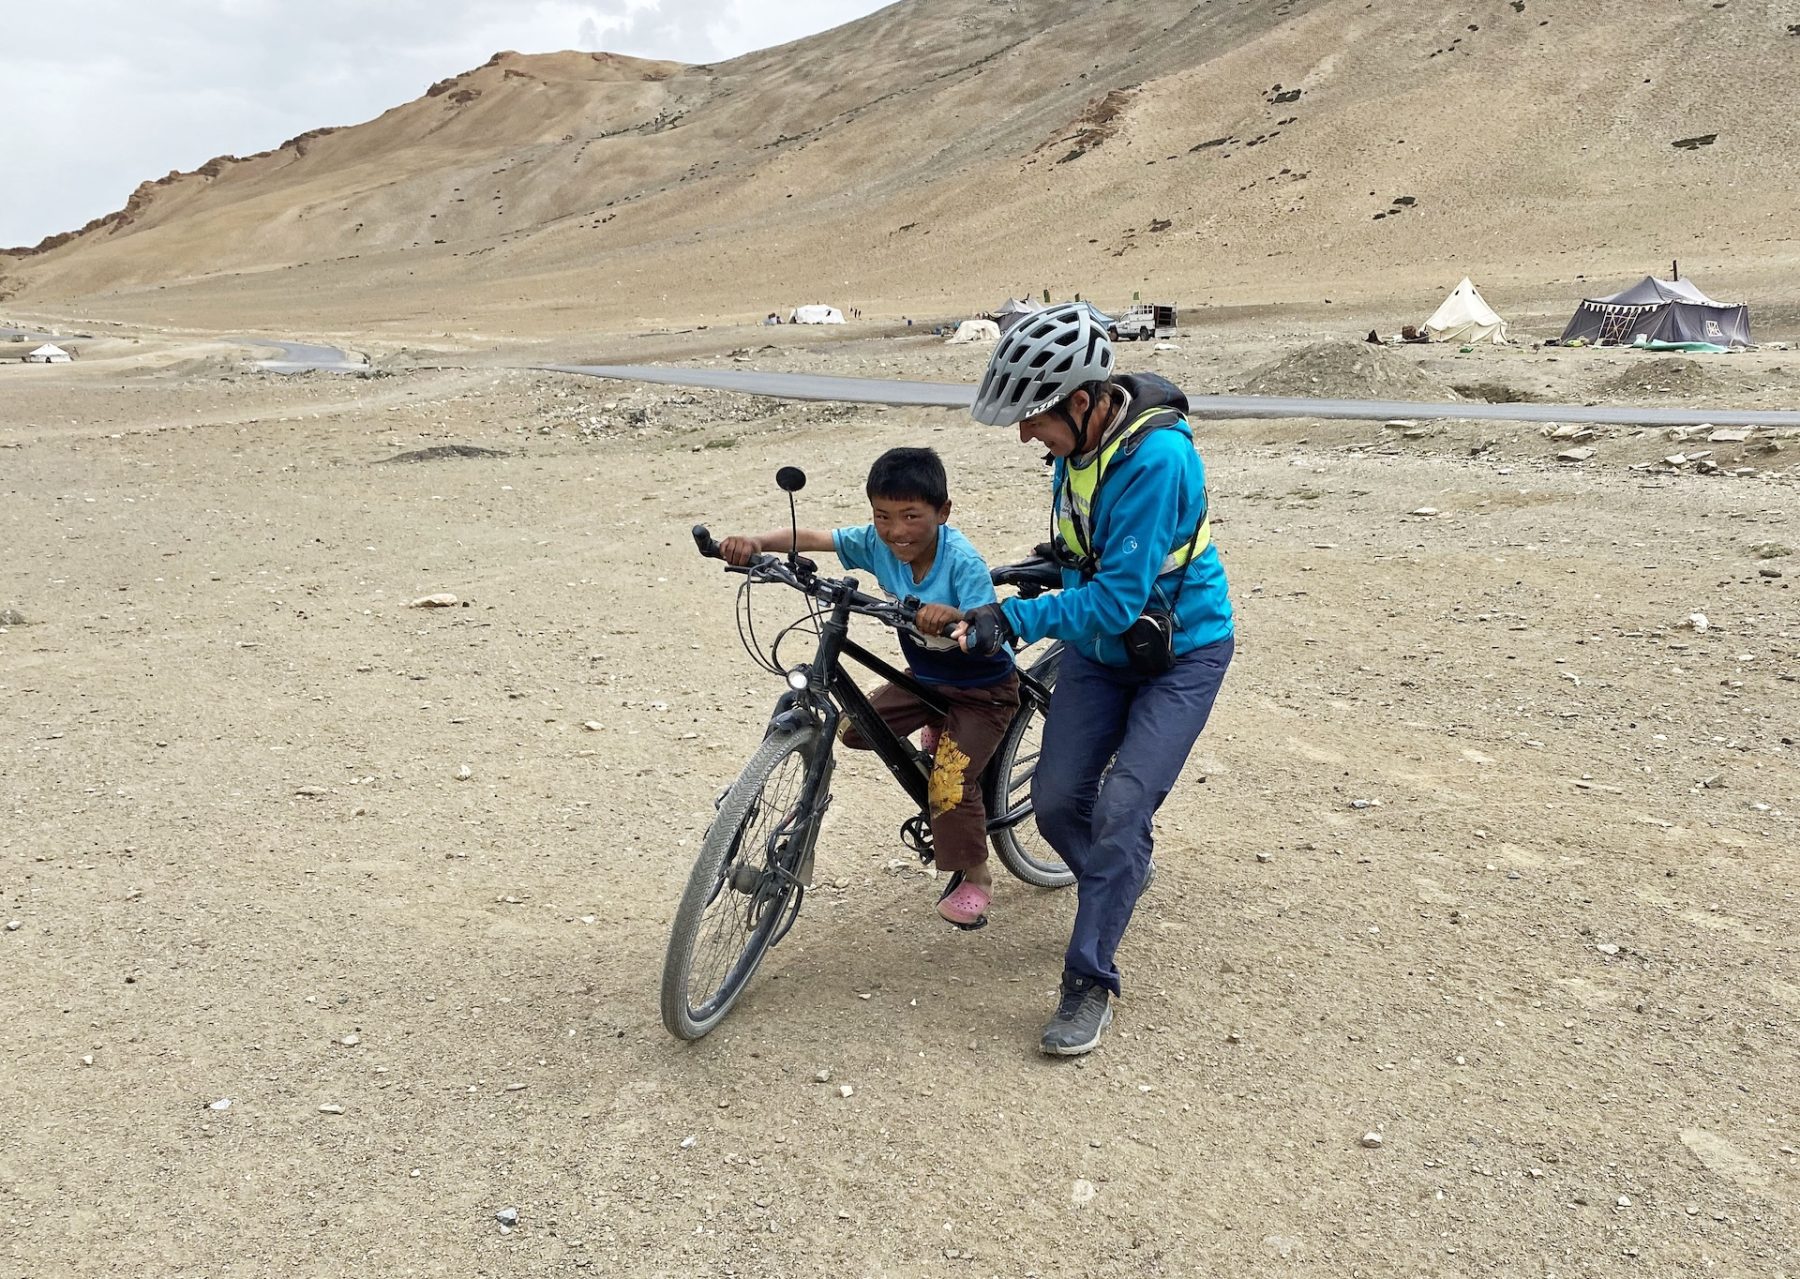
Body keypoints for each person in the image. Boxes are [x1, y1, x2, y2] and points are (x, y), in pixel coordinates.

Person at [954, 302, 1234, 1056]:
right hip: (1104, 654)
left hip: (1181, 654)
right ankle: (1119, 876)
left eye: (1034, 417)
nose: (1025, 435)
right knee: (1053, 804)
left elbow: (1115, 599)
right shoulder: (1080, 448)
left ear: (1083, 401)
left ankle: (1089, 978)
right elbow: (1090, 548)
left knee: (1121, 808)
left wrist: (1016, 619)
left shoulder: (1157, 459)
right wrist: (1031, 572)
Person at [717, 448, 1020, 927]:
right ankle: (938, 728)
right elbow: (814, 537)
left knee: (948, 783)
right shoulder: (878, 545)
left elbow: (985, 621)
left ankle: (976, 876)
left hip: (982, 691)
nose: (896, 530)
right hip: (928, 680)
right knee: (857, 730)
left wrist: (955, 615)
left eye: (911, 516)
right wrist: (756, 542)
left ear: (943, 512)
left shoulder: (962, 562)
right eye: (883, 515)